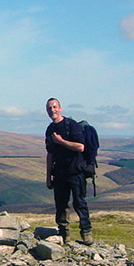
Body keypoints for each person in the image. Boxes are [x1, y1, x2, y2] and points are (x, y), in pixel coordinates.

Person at [45, 97, 93, 245]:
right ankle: (64, 235)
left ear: (60, 108)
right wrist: (48, 176)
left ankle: (86, 233)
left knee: (79, 203)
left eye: (54, 107)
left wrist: (61, 141)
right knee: (61, 205)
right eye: (49, 108)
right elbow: (50, 154)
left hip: (75, 171)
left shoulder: (71, 125)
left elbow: (80, 147)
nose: (52, 110)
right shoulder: (50, 129)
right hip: (59, 173)